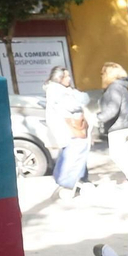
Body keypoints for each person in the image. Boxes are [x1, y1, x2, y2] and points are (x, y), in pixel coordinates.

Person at [88, 62, 128, 184]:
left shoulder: (114, 87)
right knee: (125, 154)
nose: (101, 76)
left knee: (117, 155)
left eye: (102, 73)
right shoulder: (122, 86)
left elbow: (112, 108)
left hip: (118, 126)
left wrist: (98, 118)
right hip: (126, 124)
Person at [46, 66, 89, 200]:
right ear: (59, 78)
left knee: (70, 155)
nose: (69, 79)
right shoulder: (59, 91)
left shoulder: (54, 89)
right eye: (66, 76)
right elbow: (77, 104)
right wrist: (76, 94)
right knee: (74, 156)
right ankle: (68, 183)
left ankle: (76, 180)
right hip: (71, 129)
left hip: (67, 129)